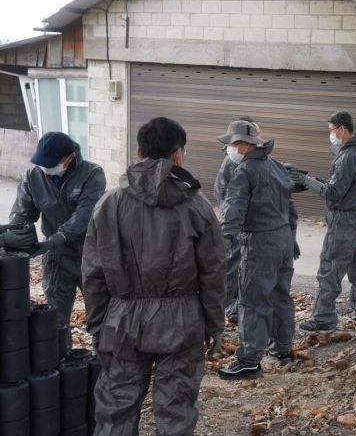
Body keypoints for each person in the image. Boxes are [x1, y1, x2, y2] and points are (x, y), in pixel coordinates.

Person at [82, 117, 226, 436]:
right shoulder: (197, 206)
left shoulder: (108, 205)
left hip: (121, 322)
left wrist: (97, 325)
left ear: (138, 151)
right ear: (178, 154)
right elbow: (214, 272)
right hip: (182, 320)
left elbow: (93, 273)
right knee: (176, 410)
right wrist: (215, 324)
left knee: (115, 409)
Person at [216, 120, 299, 380]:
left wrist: (224, 242)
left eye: (231, 144)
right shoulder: (275, 166)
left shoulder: (244, 172)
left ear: (243, 145)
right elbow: (290, 207)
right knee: (280, 296)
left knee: (253, 301)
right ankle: (282, 348)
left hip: (258, 242)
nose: (229, 149)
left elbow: (233, 211)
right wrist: (292, 238)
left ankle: (249, 360)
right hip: (282, 238)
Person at [10, 132, 105, 349]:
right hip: (57, 259)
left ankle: (102, 366)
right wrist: (18, 234)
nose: (45, 168)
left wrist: (58, 238)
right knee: (55, 319)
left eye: (50, 163)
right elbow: (23, 212)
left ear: (68, 158)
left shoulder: (92, 174)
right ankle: (61, 364)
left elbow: (85, 214)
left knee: (101, 316)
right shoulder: (34, 176)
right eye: (42, 163)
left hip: (90, 256)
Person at [289, 111, 356, 331]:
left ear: (342, 130)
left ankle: (323, 318)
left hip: (344, 220)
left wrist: (306, 180)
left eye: (331, 131)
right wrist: (314, 180)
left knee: (330, 268)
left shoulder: (348, 156)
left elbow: (334, 192)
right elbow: (342, 186)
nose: (330, 135)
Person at [213, 115, 257, 324]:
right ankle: (230, 307)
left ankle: (236, 305)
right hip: (235, 224)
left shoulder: (249, 161)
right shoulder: (231, 162)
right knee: (232, 267)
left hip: (244, 224)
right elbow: (221, 193)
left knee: (242, 267)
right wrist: (231, 221)